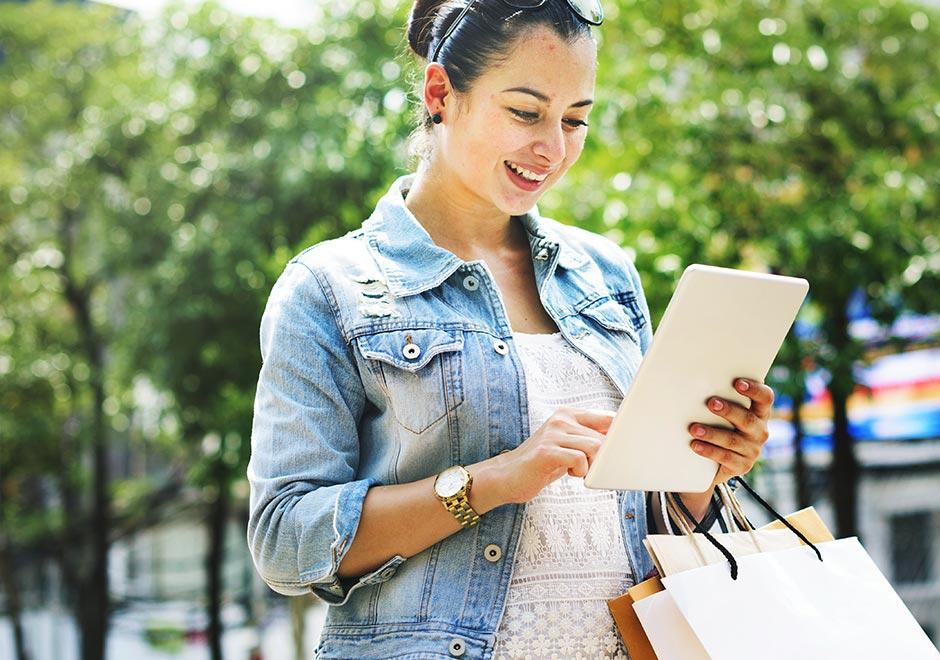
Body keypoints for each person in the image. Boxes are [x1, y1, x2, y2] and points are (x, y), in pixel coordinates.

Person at [245, 0, 776, 657]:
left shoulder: (605, 275)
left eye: (575, 120)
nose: (552, 148)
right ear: (442, 93)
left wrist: (704, 462)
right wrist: (493, 480)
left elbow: (648, 520)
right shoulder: (330, 288)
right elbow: (285, 541)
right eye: (525, 112)